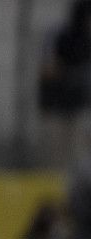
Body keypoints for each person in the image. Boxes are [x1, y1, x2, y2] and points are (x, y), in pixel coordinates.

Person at [38, 0, 91, 169]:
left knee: (79, 155)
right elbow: (48, 70)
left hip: (80, 106)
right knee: (55, 158)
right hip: (57, 106)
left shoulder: (87, 41)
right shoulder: (60, 36)